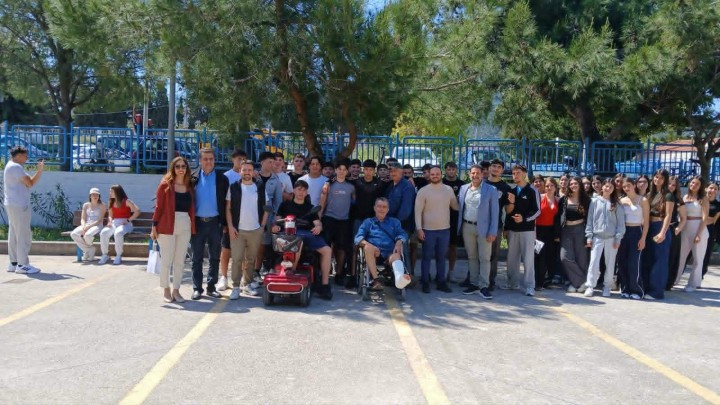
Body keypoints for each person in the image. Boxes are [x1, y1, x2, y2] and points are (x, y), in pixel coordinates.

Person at [274, 180, 333, 300]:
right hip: (289, 234)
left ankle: (325, 284)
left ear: (307, 193)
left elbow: (317, 223)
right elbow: (277, 221)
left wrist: (318, 227)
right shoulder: (285, 205)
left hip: (307, 234)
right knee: (297, 240)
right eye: (299, 189)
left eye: (304, 190)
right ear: (294, 190)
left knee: (327, 250)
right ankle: (291, 271)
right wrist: (275, 226)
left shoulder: (310, 208)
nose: (301, 192)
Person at [151, 157, 195, 303]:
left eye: (183, 166)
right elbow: (158, 207)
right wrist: (154, 226)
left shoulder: (189, 186)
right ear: (173, 168)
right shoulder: (165, 185)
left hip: (185, 223)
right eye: (177, 166)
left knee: (180, 260)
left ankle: (176, 290)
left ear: (187, 168)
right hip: (167, 224)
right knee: (167, 260)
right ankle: (166, 289)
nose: (180, 169)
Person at [189, 148, 229, 300]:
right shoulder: (192, 178)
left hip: (215, 223)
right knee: (196, 258)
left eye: (211, 159)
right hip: (197, 223)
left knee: (214, 257)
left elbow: (226, 203)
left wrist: (225, 224)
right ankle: (197, 288)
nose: (208, 162)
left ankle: (211, 287)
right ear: (200, 160)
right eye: (205, 159)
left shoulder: (221, 178)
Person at [225, 161, 269, 299]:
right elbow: (228, 208)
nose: (247, 172)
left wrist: (262, 226)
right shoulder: (234, 187)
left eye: (250, 170)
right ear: (240, 171)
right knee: (237, 259)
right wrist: (230, 226)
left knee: (250, 259)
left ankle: (247, 284)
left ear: (253, 171)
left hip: (255, 230)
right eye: (244, 170)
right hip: (238, 230)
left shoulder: (259, 186)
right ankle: (236, 287)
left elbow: (266, 208)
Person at [415, 166, 459, 293]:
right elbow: (417, 211)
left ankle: (441, 282)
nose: (435, 176)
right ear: (429, 175)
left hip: (444, 230)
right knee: (426, 257)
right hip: (428, 230)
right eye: (432, 174)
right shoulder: (423, 191)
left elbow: (456, 206)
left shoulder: (448, 190)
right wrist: (419, 229)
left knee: (441, 257)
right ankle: (425, 282)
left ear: (441, 174)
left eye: (437, 174)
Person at [457, 165, 497, 299]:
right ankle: (473, 284)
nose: (475, 175)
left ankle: (484, 285)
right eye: (473, 173)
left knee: (484, 258)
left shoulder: (491, 190)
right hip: (467, 227)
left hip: (484, 229)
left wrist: (492, 231)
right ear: (469, 174)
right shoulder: (464, 188)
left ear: (482, 174)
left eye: (478, 173)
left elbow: (495, 213)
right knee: (471, 257)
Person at [4, 146, 44, 274]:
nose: (27, 158)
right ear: (18, 156)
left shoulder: (11, 166)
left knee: (14, 234)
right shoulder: (16, 167)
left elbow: (28, 182)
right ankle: (22, 265)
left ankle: (14, 263)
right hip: (19, 205)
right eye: (25, 155)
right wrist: (40, 170)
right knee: (23, 235)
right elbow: (30, 183)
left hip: (12, 204)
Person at [354, 198, 407, 290]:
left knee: (396, 256)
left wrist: (399, 241)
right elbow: (358, 238)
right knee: (367, 247)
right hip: (373, 254)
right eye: (379, 206)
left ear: (388, 209)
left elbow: (402, 234)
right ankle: (376, 281)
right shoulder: (368, 222)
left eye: (384, 207)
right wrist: (370, 246)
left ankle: (399, 280)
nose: (381, 209)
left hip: (389, 254)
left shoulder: (395, 222)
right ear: (374, 208)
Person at [504, 164, 541, 296]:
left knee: (528, 260)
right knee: (511, 259)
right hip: (513, 231)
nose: (515, 175)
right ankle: (512, 283)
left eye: (518, 173)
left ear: (525, 174)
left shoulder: (532, 190)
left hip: (527, 231)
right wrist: (506, 228)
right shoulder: (512, 191)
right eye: (513, 173)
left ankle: (530, 286)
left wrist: (524, 219)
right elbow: (508, 212)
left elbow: (537, 211)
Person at [584, 179, 626, 297]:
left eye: (610, 187)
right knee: (593, 262)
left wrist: (618, 238)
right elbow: (590, 220)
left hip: (611, 238)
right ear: (602, 187)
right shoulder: (594, 201)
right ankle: (590, 286)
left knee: (610, 263)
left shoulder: (616, 204)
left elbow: (620, 224)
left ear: (613, 189)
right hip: (597, 237)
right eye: (606, 186)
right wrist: (589, 236)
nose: (608, 189)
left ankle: (607, 286)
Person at [319, 158, 355, 285]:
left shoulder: (351, 187)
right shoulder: (328, 185)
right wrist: (319, 216)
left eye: (344, 169)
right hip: (329, 219)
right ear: (335, 170)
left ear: (347, 171)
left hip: (344, 221)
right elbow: (322, 201)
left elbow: (354, 202)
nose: (341, 171)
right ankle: (324, 273)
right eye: (339, 169)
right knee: (326, 247)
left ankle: (339, 273)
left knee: (341, 248)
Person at [672, 176, 708, 292]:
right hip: (685, 228)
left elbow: (705, 217)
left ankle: (693, 284)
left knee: (698, 258)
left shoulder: (703, 198)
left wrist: (699, 234)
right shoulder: (685, 197)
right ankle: (674, 280)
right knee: (680, 256)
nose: (694, 185)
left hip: (698, 227)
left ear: (701, 186)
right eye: (692, 182)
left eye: (697, 184)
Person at [218, 148, 246, 292]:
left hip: (245, 219)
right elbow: (222, 200)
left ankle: (242, 278)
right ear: (233, 160)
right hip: (230, 219)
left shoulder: (250, 175)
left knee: (243, 251)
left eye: (243, 159)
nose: (241, 161)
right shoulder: (226, 176)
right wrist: (225, 223)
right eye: (238, 159)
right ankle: (223, 277)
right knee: (226, 249)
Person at [643, 169, 674, 300]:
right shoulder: (650, 194)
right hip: (649, 227)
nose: (658, 180)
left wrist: (662, 232)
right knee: (648, 259)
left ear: (665, 180)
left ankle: (656, 292)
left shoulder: (668, 195)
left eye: (661, 178)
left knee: (660, 261)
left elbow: (668, 215)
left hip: (660, 227)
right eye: (656, 177)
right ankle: (646, 288)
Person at [557, 177, 591, 293]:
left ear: (580, 184)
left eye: (575, 183)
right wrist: (557, 233)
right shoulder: (564, 199)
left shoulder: (586, 199)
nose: (573, 185)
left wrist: (589, 235)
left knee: (582, 258)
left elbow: (589, 218)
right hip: (566, 230)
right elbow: (558, 216)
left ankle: (577, 284)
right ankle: (581, 281)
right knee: (565, 257)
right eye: (571, 184)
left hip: (581, 229)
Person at [617, 177, 650, 299]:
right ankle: (625, 288)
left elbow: (646, 222)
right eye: (624, 186)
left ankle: (637, 290)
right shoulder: (621, 200)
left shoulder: (643, 200)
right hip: (623, 232)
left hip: (636, 231)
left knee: (634, 263)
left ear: (634, 185)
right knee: (622, 261)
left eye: (628, 186)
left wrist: (643, 238)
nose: (626, 188)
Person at [483, 158, 512, 290]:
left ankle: (490, 280)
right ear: (489, 168)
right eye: (493, 166)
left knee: (493, 254)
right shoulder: (481, 183)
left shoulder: (505, 188)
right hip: (480, 224)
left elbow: (508, 210)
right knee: (478, 253)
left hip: (496, 226)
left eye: (499, 167)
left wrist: (512, 202)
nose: (495, 169)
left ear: (502, 170)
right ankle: (473, 278)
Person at [385, 162, 417, 274]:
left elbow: (405, 211)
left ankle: (407, 276)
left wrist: (394, 225)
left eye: (395, 171)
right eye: (390, 171)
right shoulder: (391, 186)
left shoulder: (407, 187)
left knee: (403, 249)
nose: (392, 173)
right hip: (390, 224)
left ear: (401, 172)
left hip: (403, 225)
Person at [99, 185, 141, 265]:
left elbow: (137, 211)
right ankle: (105, 254)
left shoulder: (127, 201)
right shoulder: (111, 201)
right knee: (103, 233)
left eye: (111, 191)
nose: (110, 193)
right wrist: (109, 221)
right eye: (110, 191)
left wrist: (128, 220)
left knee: (118, 233)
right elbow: (110, 215)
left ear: (117, 192)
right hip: (114, 222)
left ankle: (118, 255)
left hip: (126, 224)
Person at [534, 178, 559, 290]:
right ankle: (538, 282)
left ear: (555, 187)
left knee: (550, 256)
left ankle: (547, 281)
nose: (549, 188)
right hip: (539, 231)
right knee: (539, 256)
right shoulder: (540, 198)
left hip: (552, 232)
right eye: (547, 186)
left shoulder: (558, 200)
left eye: (551, 186)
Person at [442, 161, 465, 282]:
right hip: (441, 218)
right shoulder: (440, 183)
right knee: (441, 248)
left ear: (456, 170)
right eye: (449, 169)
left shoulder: (462, 185)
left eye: (453, 169)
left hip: (456, 219)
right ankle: (440, 273)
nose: (451, 171)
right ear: (445, 170)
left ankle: (451, 272)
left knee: (453, 247)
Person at [71, 188, 107, 262]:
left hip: (97, 225)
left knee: (87, 235)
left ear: (99, 196)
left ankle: (87, 252)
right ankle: (89, 249)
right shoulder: (86, 205)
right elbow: (83, 218)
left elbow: (100, 220)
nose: (95, 196)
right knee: (73, 234)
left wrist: (88, 227)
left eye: (97, 195)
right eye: (93, 194)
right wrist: (84, 226)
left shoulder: (102, 205)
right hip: (86, 224)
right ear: (90, 196)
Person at [664, 175, 687, 291]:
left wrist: (678, 229)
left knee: (672, 257)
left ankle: (668, 283)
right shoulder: (659, 196)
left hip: (672, 229)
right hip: (658, 228)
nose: (671, 187)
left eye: (674, 185)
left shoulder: (678, 200)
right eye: (669, 184)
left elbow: (684, 218)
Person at [702, 182, 720, 278]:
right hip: (695, 227)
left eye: (715, 189)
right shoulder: (700, 201)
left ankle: (701, 275)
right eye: (711, 188)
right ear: (706, 189)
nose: (712, 190)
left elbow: (713, 220)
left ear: (718, 191)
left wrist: (705, 219)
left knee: (706, 253)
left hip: (709, 229)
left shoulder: (718, 205)